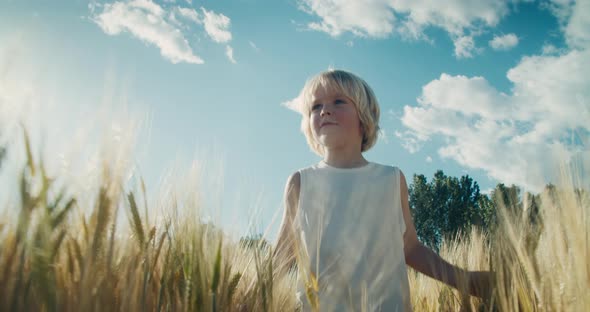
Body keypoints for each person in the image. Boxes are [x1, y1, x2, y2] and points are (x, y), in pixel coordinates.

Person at [273, 69, 492, 311]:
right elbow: (284, 252)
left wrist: (464, 279)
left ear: (364, 117)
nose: (324, 110)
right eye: (316, 106)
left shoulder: (391, 179)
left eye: (338, 101)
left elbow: (409, 247)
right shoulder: (301, 182)